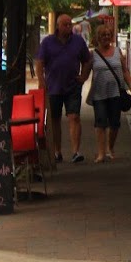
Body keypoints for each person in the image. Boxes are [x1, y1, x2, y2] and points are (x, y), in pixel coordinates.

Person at [34, 13, 91, 163]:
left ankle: (75, 152)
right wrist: (41, 81)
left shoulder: (78, 41)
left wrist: (84, 76)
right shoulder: (48, 42)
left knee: (74, 117)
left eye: (70, 24)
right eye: (65, 24)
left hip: (73, 86)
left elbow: (87, 60)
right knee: (55, 119)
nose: (68, 27)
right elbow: (39, 62)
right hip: (53, 86)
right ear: (58, 26)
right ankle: (57, 151)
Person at [86, 21, 131, 163]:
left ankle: (110, 148)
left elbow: (125, 71)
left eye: (108, 35)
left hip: (116, 93)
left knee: (114, 123)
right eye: (103, 35)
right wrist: (77, 81)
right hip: (99, 93)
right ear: (98, 37)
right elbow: (85, 72)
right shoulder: (93, 54)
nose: (106, 37)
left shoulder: (118, 52)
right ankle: (101, 153)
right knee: (100, 122)